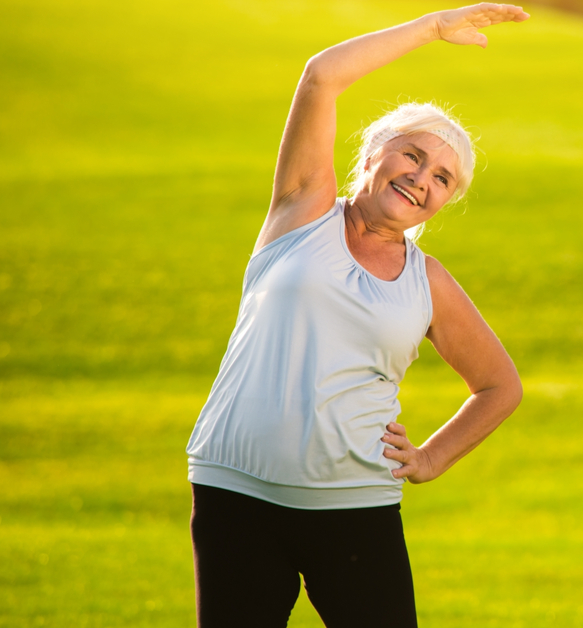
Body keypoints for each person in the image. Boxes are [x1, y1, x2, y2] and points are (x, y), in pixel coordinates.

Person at [183, 5, 529, 626]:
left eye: (442, 178)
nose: (422, 179)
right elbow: (320, 76)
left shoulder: (429, 282)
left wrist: (430, 458)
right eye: (411, 156)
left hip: (355, 507)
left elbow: (500, 387)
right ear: (371, 154)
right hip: (234, 495)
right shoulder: (301, 212)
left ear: (445, 202)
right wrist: (432, 28)